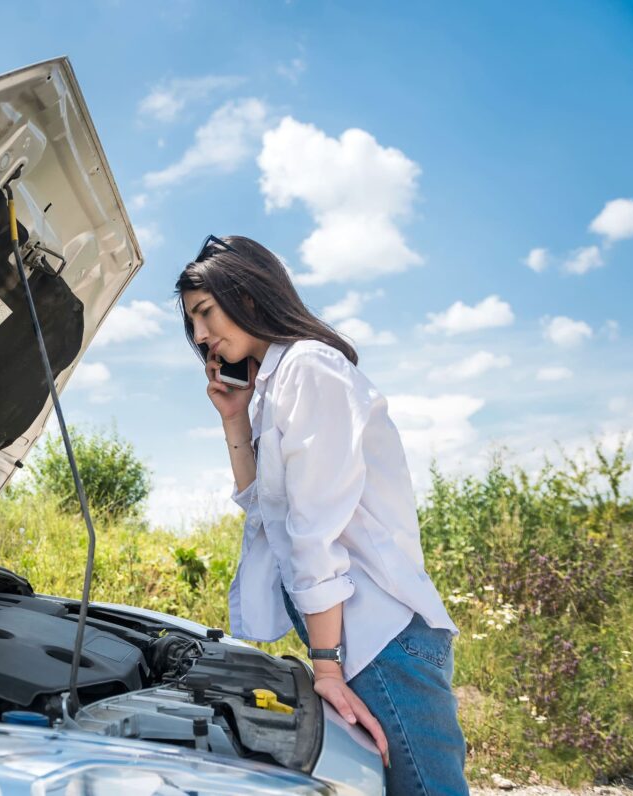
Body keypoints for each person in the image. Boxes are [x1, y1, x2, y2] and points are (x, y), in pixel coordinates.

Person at [176, 235, 468, 796]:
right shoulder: (273, 386)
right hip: (354, 638)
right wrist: (234, 418)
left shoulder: (309, 368)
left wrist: (326, 665)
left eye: (205, 313)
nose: (200, 335)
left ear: (251, 295)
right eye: (192, 322)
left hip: (379, 640)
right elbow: (263, 511)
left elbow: (314, 531)